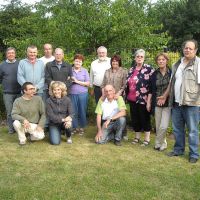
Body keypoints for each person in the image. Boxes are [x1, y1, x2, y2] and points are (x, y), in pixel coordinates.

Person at [158, 40, 200, 163]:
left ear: (195, 50)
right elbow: (172, 83)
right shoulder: (178, 63)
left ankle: (194, 154)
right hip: (176, 102)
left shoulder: (198, 64)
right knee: (177, 129)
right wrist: (165, 96)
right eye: (186, 48)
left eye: (190, 48)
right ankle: (178, 150)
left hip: (192, 103)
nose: (187, 50)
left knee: (192, 130)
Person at [124, 49, 154, 146]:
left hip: (143, 100)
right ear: (135, 58)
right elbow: (127, 84)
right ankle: (137, 137)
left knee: (144, 119)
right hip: (132, 98)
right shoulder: (131, 69)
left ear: (144, 58)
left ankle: (147, 139)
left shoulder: (149, 69)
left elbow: (152, 86)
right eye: (138, 56)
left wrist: (149, 101)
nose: (139, 58)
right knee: (135, 119)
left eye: (141, 56)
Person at [151, 53, 171, 151]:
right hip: (157, 102)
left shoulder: (171, 73)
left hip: (168, 103)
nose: (161, 61)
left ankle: (158, 142)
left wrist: (166, 97)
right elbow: (152, 89)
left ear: (167, 61)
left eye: (163, 59)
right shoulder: (154, 74)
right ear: (157, 61)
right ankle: (162, 143)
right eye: (159, 60)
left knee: (164, 126)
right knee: (158, 126)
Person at [0, 47, 21, 134]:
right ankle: (11, 129)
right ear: (6, 55)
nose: (11, 54)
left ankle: (19, 128)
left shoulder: (20, 63)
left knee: (19, 112)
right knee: (9, 112)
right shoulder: (2, 65)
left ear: (15, 54)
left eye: (12, 53)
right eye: (9, 53)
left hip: (20, 92)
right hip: (7, 93)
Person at [69, 54, 90, 135]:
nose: (78, 63)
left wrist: (77, 81)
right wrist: (70, 80)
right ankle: (74, 127)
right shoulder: (70, 70)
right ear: (74, 61)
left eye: (80, 61)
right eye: (76, 61)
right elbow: (67, 80)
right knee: (73, 111)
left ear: (82, 63)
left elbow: (88, 83)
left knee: (82, 110)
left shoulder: (84, 71)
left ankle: (82, 127)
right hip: (72, 93)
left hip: (82, 94)